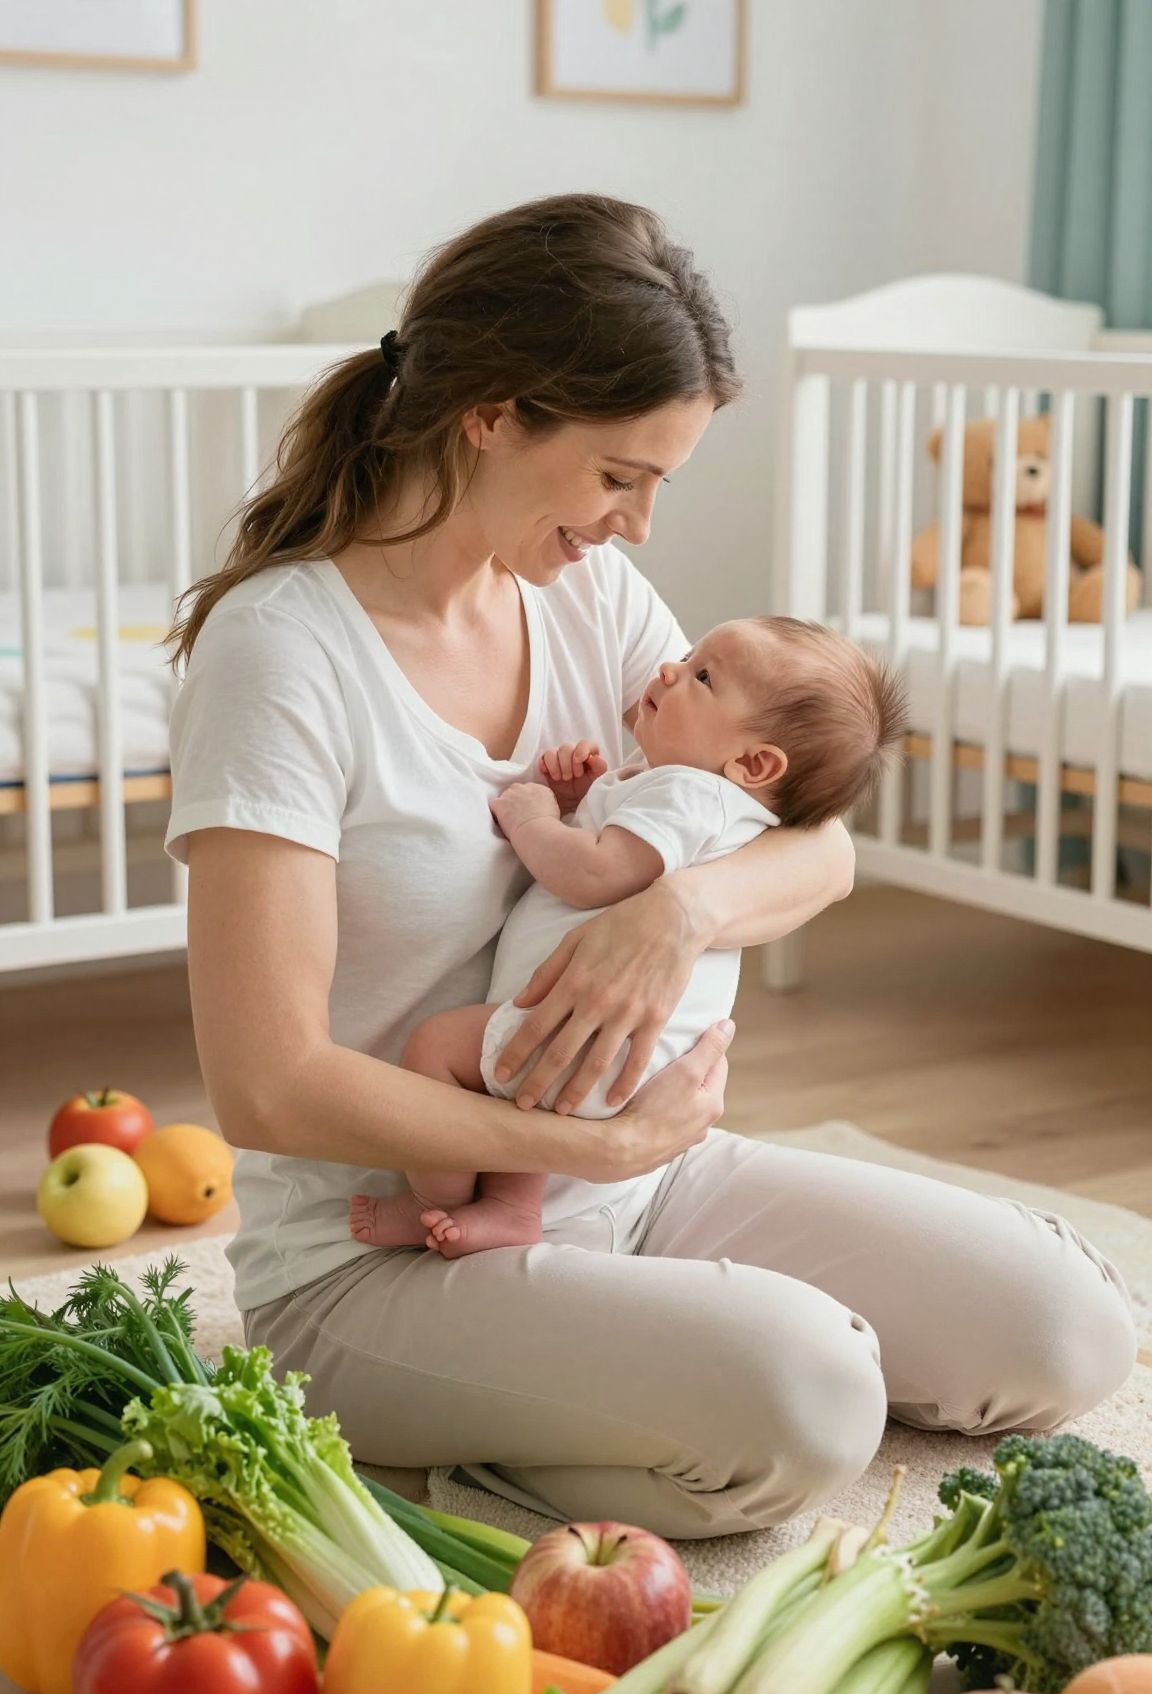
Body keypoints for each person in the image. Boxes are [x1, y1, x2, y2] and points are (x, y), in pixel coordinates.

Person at [166, 193, 1136, 1541]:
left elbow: (819, 845)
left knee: (1066, 1332)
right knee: (808, 1400)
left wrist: (675, 912)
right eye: (621, 476)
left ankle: (628, 1349)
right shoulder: (283, 657)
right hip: (371, 1262)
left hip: (642, 1180)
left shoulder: (589, 598)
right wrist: (585, 1138)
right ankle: (457, 1476)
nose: (637, 526)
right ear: (492, 414)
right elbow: (265, 1083)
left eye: (659, 483)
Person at [348, 615, 906, 1258]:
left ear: (753, 762)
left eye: (702, 676)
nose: (672, 668)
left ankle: (431, 1201)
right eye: (691, 653)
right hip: (630, 1057)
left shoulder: (688, 794)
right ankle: (510, 1206)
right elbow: (622, 853)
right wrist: (584, 801)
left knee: (437, 1052)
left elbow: (593, 872)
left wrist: (533, 818)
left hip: (599, 1034)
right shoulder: (699, 799)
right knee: (534, 1094)